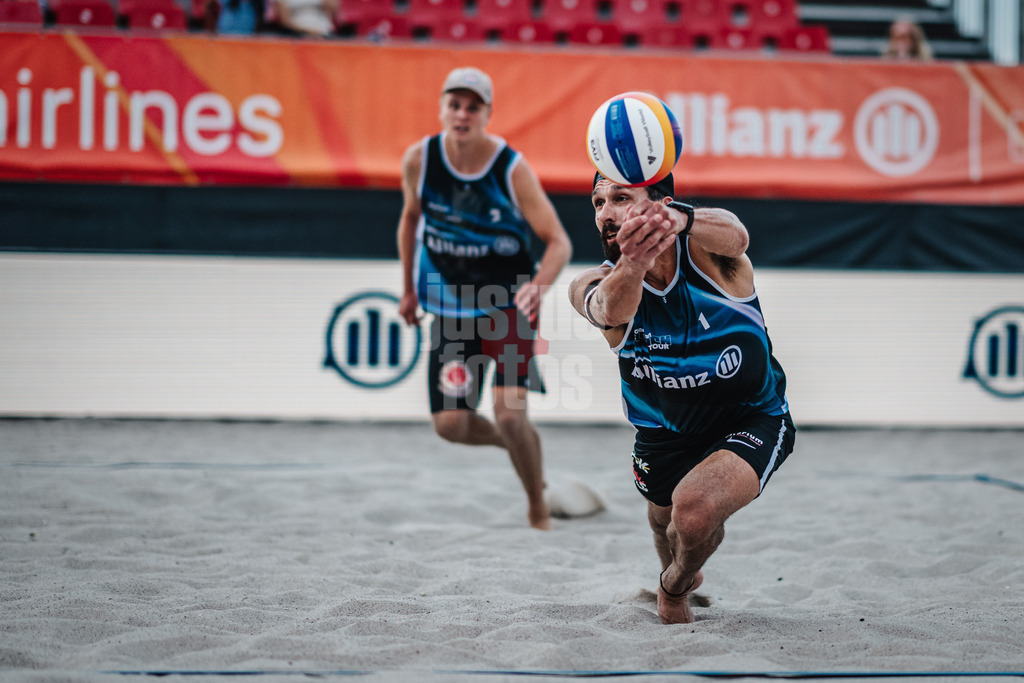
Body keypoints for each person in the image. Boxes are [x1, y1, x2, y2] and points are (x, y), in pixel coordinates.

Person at [568, 171, 795, 623]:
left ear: (659, 205)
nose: (606, 213)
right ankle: (682, 571)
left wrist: (678, 219)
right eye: (598, 203)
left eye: (619, 198)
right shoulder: (597, 282)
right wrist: (633, 263)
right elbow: (606, 310)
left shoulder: (710, 256)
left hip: (751, 417)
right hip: (663, 430)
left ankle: (672, 589)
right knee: (661, 521)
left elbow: (738, 235)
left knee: (691, 516)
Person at [397, 67, 573, 530]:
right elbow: (410, 220)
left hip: (507, 306)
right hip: (451, 310)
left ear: (488, 114)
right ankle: (512, 446)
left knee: (513, 416)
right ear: (442, 109)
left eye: (473, 106)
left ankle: (538, 509)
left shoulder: (510, 168)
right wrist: (409, 289)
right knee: (450, 426)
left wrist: (540, 285)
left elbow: (559, 240)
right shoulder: (419, 160)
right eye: (454, 104)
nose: (462, 113)